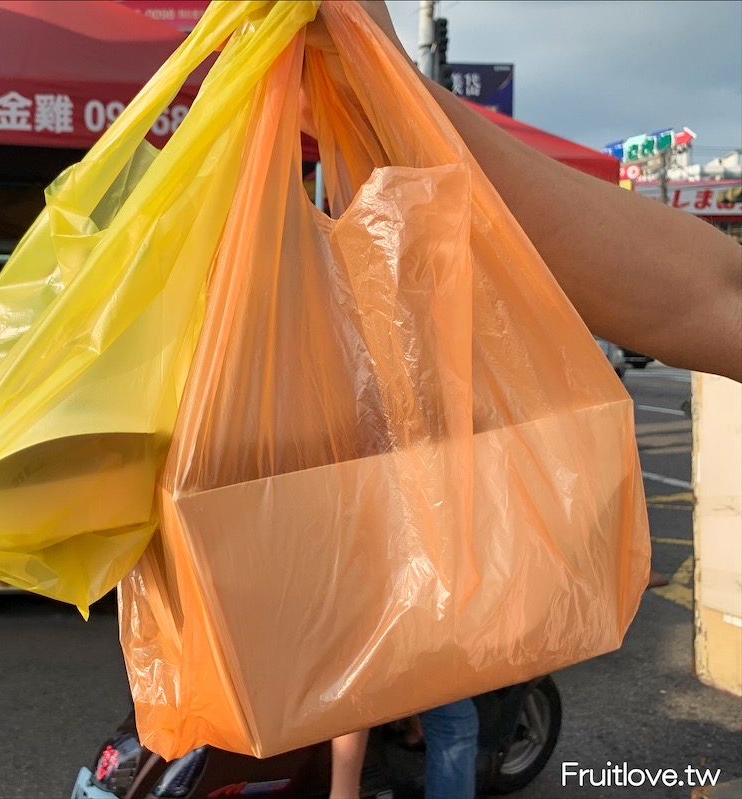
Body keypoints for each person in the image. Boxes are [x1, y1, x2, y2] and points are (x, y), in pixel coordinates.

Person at [319, 1, 742, 797]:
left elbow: (712, 294)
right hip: (437, 572)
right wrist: (384, 80)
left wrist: (391, 85)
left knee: (381, 702)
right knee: (437, 711)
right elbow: (711, 294)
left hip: (390, 568)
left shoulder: (383, 361)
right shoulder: (437, 368)